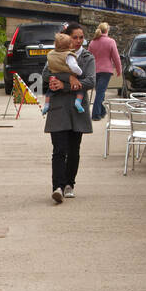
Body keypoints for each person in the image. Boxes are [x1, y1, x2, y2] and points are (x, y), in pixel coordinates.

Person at [41, 23, 95, 203]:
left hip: (76, 109)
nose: (78, 41)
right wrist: (69, 79)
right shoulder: (54, 55)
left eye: (81, 37)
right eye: (75, 37)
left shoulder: (88, 57)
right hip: (58, 109)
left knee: (73, 150)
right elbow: (46, 76)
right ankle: (57, 187)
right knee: (59, 150)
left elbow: (90, 81)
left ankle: (69, 183)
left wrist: (64, 84)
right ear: (67, 38)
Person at [87, 22, 122, 121]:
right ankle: (96, 114)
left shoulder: (92, 42)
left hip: (94, 70)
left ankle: (102, 112)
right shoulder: (111, 41)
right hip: (106, 70)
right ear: (107, 31)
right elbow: (116, 57)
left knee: (100, 91)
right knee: (100, 92)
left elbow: (88, 57)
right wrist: (119, 69)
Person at [45, 33, 85, 113]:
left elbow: (48, 65)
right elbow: (74, 66)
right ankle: (78, 102)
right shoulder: (69, 55)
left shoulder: (51, 54)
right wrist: (80, 72)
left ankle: (46, 105)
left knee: (50, 91)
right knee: (80, 89)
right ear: (69, 45)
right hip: (70, 76)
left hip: (55, 76)